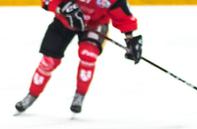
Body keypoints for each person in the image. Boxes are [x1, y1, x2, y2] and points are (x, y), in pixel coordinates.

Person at [14, 0, 143, 114]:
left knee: (88, 55)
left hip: (94, 25)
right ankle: (32, 95)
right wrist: (63, 7)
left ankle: (80, 95)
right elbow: (46, 1)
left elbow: (122, 15)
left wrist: (130, 39)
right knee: (49, 61)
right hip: (64, 21)